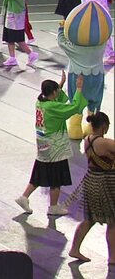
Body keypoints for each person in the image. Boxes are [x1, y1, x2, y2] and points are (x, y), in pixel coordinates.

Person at [15, 73, 87, 216]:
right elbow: (73, 107)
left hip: (43, 143)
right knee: (57, 176)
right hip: (55, 146)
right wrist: (79, 88)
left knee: (40, 172)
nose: (59, 93)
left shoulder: (40, 102)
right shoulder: (52, 108)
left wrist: (60, 84)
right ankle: (53, 206)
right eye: (57, 91)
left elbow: (56, 100)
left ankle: (24, 197)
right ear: (53, 93)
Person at [68, 112, 115, 264]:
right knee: (112, 221)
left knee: (89, 219)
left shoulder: (88, 139)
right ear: (104, 126)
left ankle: (75, 249)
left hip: (91, 181)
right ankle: (113, 257)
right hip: (104, 184)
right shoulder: (105, 143)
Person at [74, 0, 115, 64]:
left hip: (103, 15)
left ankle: (111, 54)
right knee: (97, 34)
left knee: (105, 34)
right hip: (97, 14)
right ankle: (98, 54)